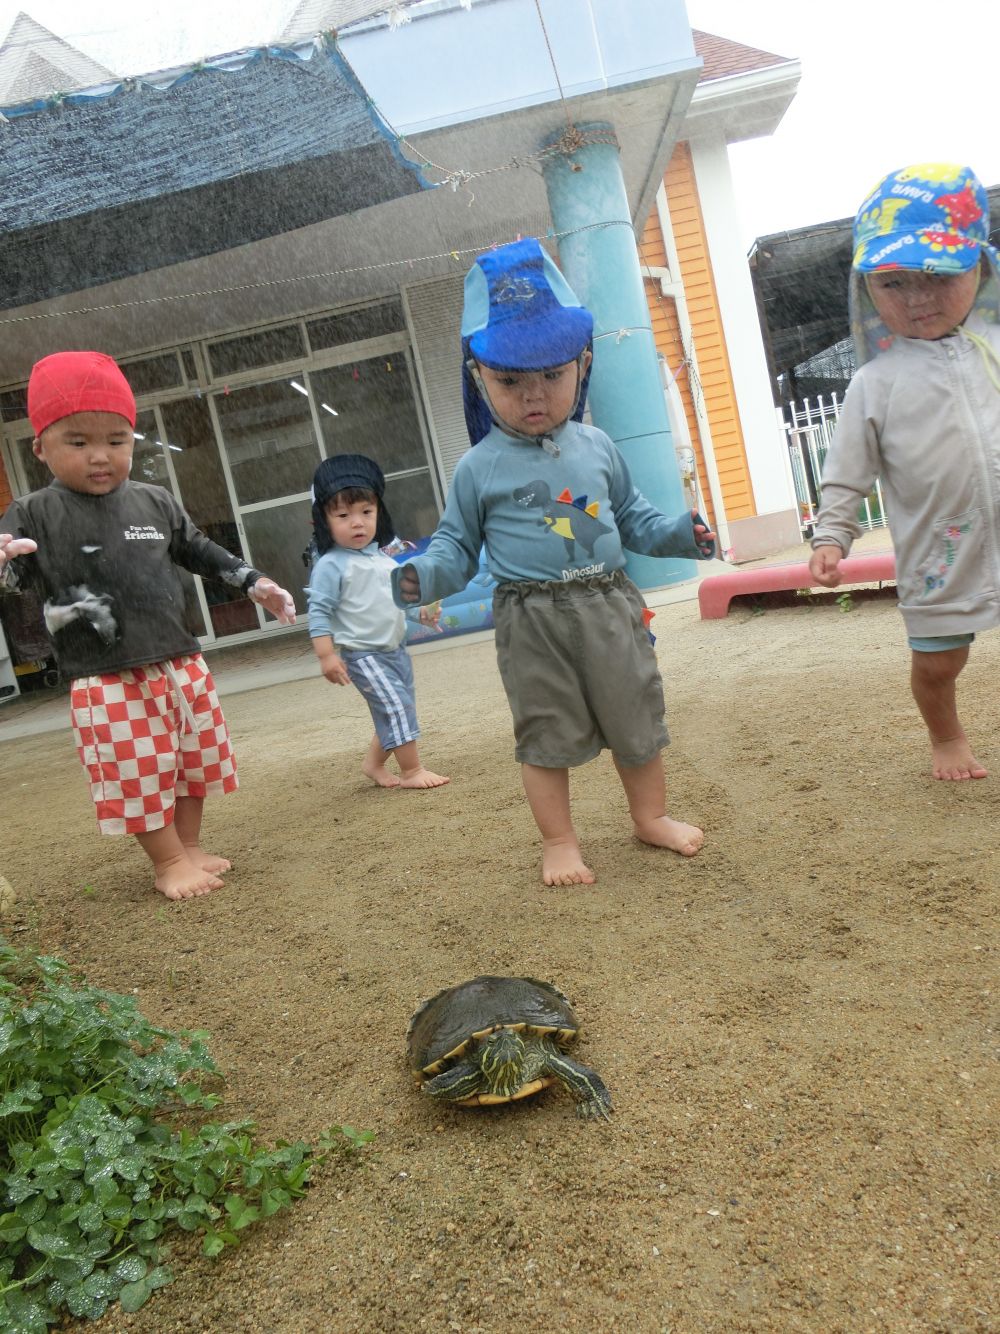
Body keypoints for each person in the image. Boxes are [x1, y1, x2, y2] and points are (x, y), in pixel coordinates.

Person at [392, 237, 715, 886]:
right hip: (530, 620)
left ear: (582, 363)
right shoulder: (477, 468)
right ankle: (559, 841)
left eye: (552, 374)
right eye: (510, 380)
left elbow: (637, 521)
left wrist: (685, 534)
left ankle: (650, 817)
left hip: (609, 605)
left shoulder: (597, 447)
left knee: (636, 718)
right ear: (477, 375)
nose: (533, 395)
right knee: (544, 735)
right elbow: (455, 549)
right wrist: (419, 577)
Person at [0, 350, 297, 899]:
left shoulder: (154, 501)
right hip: (104, 673)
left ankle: (190, 846)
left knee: (192, 759)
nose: (100, 456)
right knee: (136, 772)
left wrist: (254, 582)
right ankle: (167, 863)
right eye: (78, 441)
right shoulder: (32, 512)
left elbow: (200, 551)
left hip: (179, 657)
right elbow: (13, 574)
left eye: (116, 440)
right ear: (40, 447)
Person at [808, 163, 1000, 781]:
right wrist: (833, 533)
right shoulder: (877, 382)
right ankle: (945, 735)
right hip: (939, 551)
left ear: (980, 267)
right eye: (893, 283)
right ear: (867, 289)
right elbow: (847, 469)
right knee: (940, 660)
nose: (916, 298)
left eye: (937, 276)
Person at [306, 453, 449, 790]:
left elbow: (404, 600)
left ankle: (373, 764)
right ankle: (412, 770)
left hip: (395, 650)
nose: (357, 522)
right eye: (343, 515)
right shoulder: (330, 565)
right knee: (396, 705)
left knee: (395, 708)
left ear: (378, 514)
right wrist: (327, 655)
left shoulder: (385, 561)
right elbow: (319, 612)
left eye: (366, 513)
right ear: (324, 521)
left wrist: (424, 614)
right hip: (362, 654)